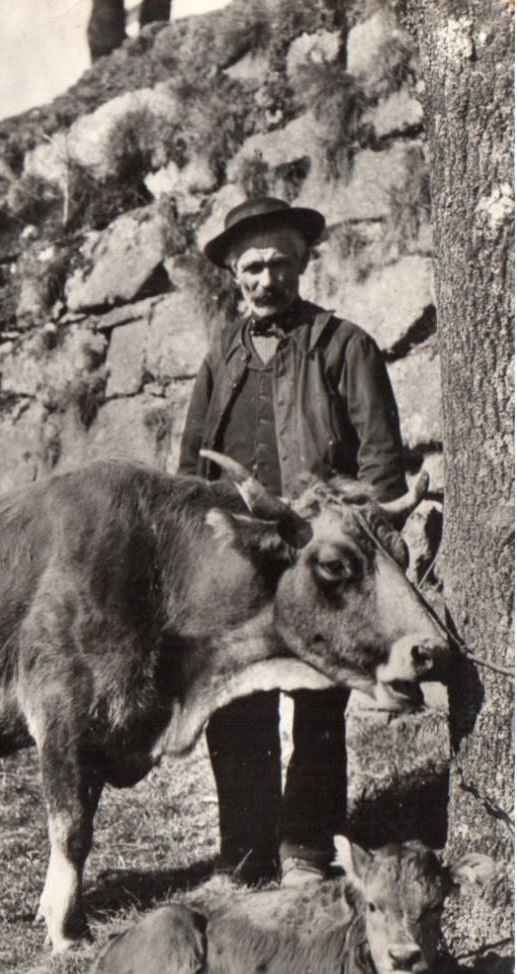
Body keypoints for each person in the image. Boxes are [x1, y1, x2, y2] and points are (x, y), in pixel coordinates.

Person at [178, 196, 407, 887]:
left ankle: (307, 848)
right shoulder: (221, 357)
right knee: (237, 701)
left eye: (280, 262)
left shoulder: (346, 346)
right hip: (236, 560)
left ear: (303, 264)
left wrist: (353, 544)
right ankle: (243, 853)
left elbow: (381, 462)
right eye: (252, 266)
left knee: (318, 702)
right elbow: (190, 466)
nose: (266, 277)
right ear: (232, 275)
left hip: (317, 558)